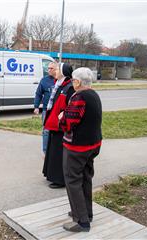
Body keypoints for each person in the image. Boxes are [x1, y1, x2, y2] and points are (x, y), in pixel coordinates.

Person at [58, 67, 102, 232]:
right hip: (93, 144)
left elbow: (68, 123)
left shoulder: (79, 97)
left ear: (77, 81)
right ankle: (85, 213)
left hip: (78, 147)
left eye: (73, 81)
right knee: (85, 179)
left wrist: (61, 117)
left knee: (73, 181)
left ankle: (81, 221)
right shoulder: (94, 94)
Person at [42, 62, 75, 189]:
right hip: (54, 125)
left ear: (63, 72)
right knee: (52, 151)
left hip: (61, 126)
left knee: (58, 153)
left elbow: (69, 106)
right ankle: (50, 174)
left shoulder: (69, 87)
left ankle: (59, 179)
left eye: (57, 70)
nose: (55, 72)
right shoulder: (60, 85)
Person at [33, 62, 57, 155]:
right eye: (48, 68)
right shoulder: (44, 80)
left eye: (51, 68)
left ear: (56, 69)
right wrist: (36, 106)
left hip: (58, 110)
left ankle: (55, 150)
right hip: (46, 110)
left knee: (57, 131)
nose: (49, 70)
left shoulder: (60, 80)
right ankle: (45, 151)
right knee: (46, 131)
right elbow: (38, 94)